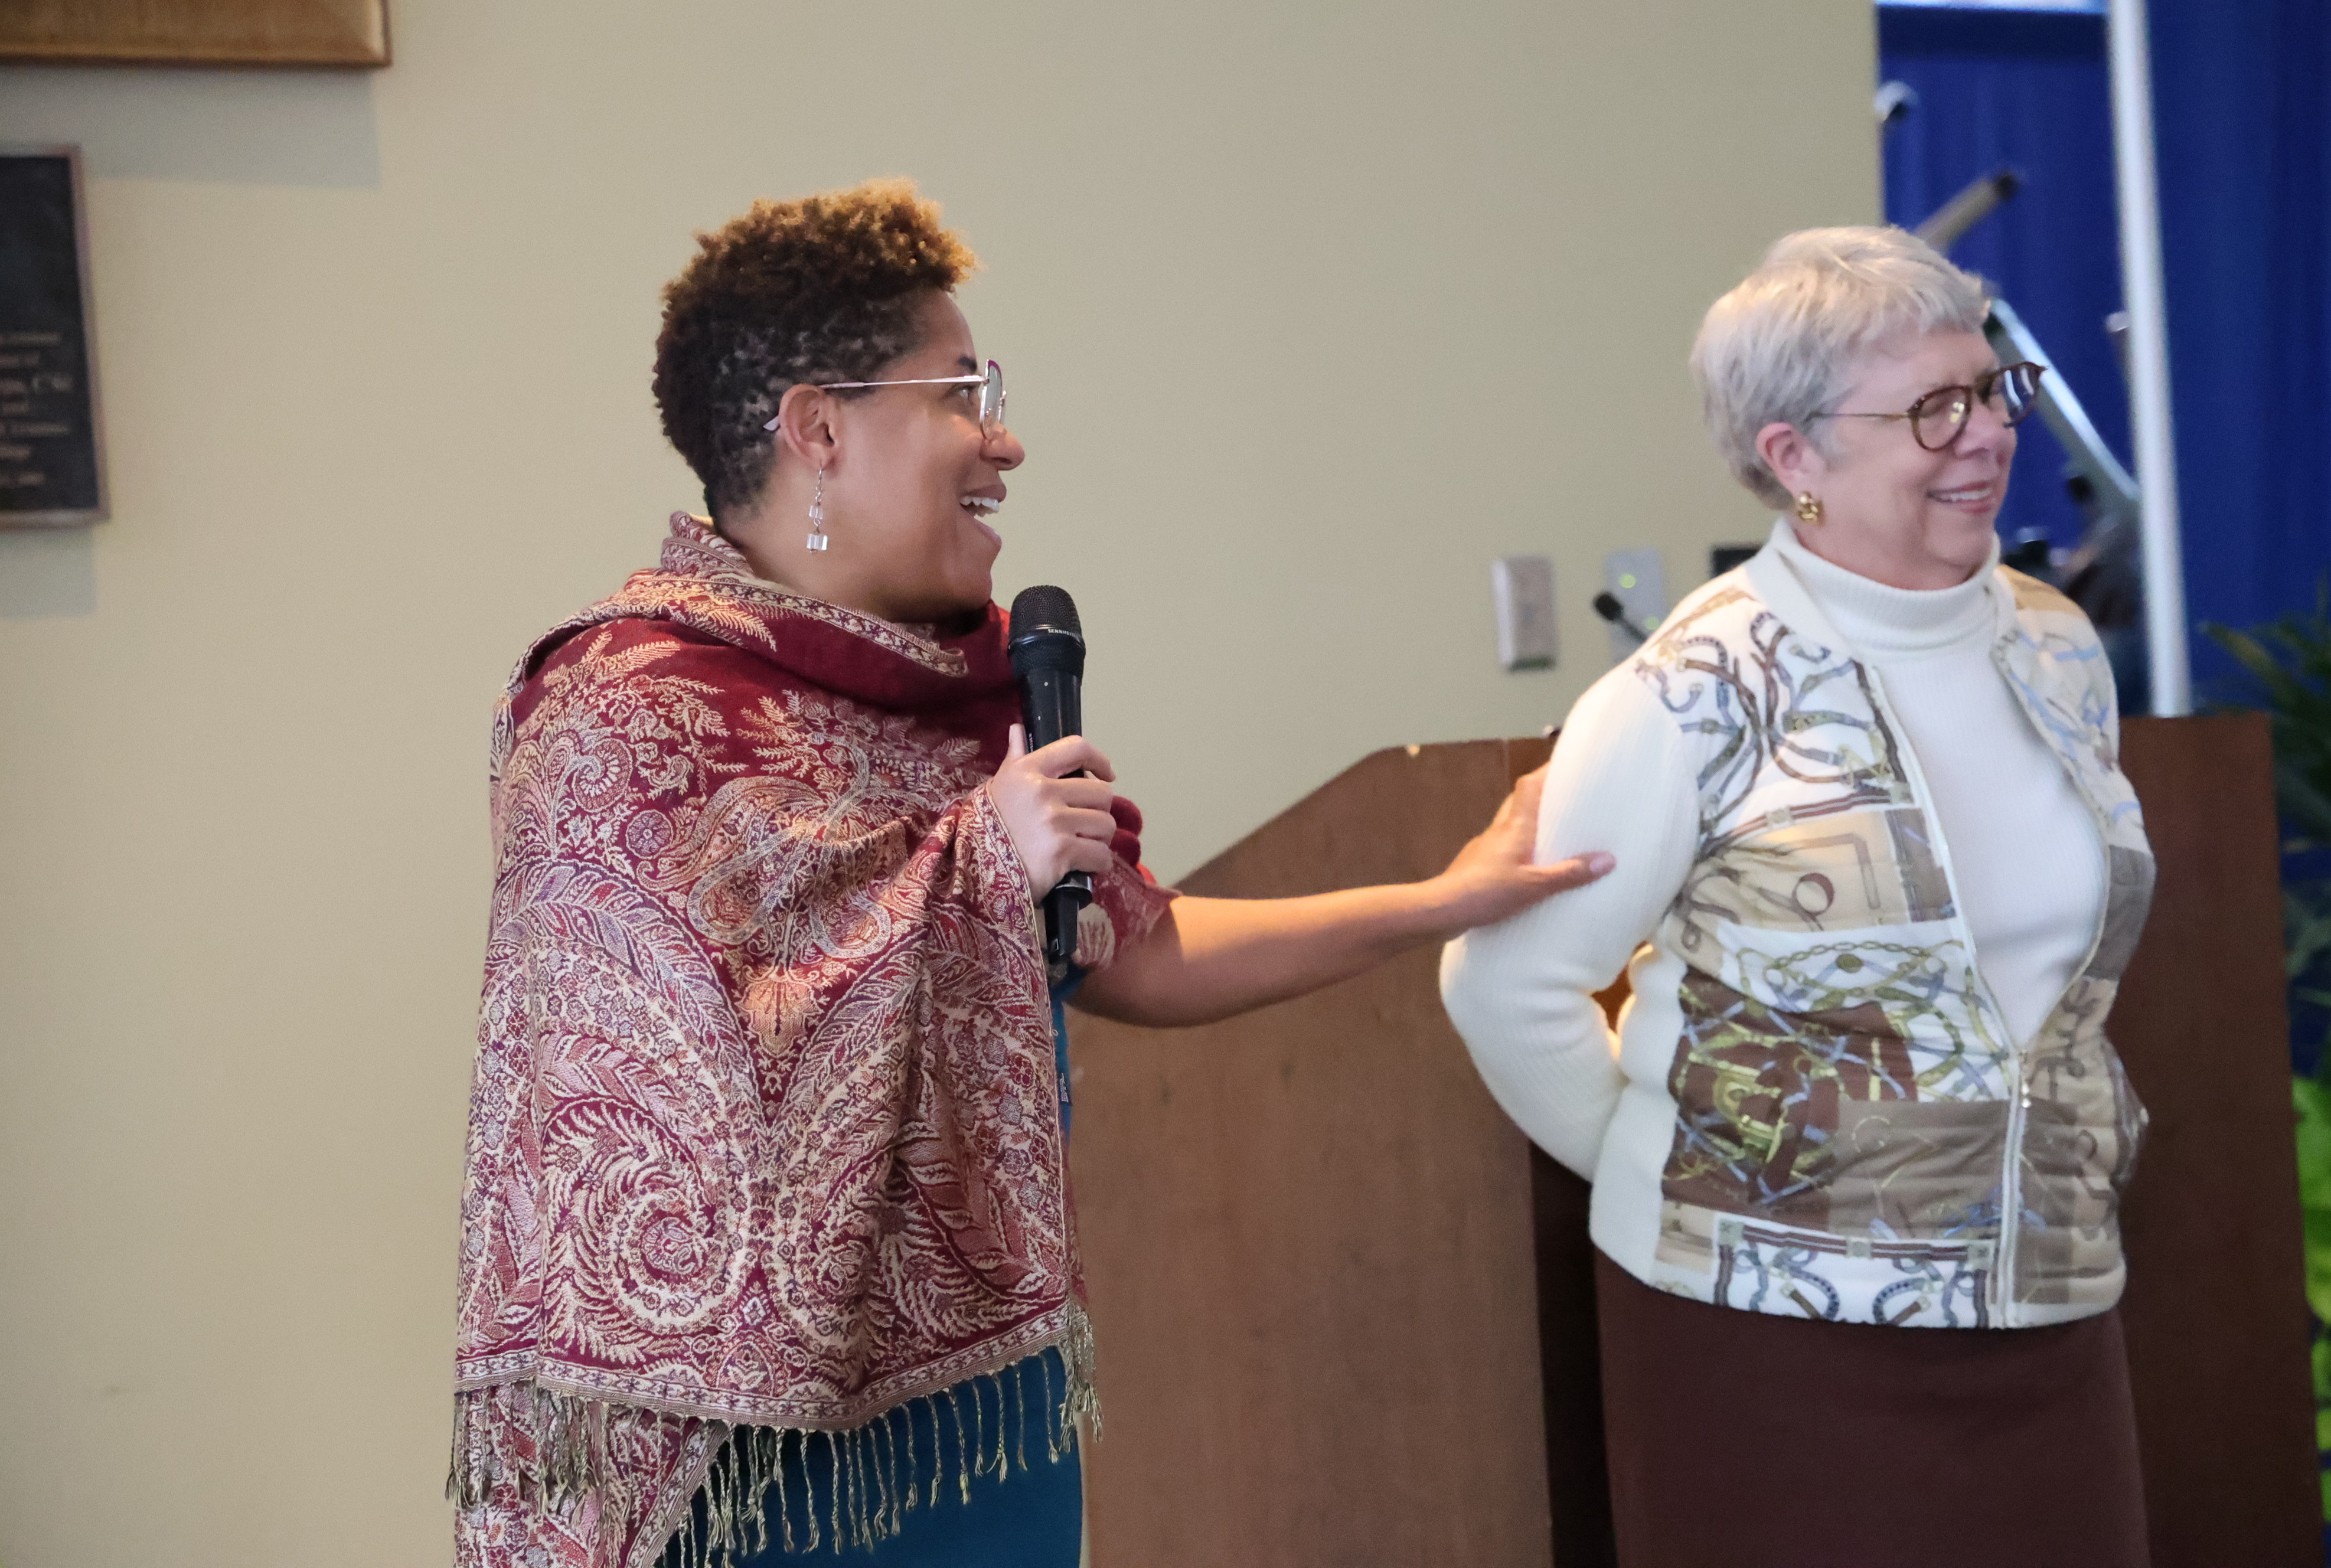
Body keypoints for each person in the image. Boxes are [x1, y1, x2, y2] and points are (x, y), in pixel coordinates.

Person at [448, 179, 1612, 1568]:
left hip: (979, 1402)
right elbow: (653, 1107)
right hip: (738, 1444)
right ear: (819, 426)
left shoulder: (964, 689)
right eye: (961, 390)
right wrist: (979, 856)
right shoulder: (623, 710)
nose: (1004, 437)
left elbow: (1138, 946)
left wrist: (1449, 897)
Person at [1441, 226, 2155, 1567]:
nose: (1985, 434)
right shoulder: (1690, 690)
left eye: (1992, 387)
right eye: (1931, 409)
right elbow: (1506, 981)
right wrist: (1689, 1167)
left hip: (2053, 1305)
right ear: (1794, 459)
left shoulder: (2057, 643)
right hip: (1762, 1332)